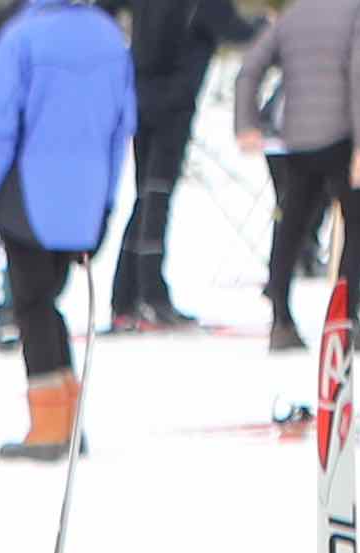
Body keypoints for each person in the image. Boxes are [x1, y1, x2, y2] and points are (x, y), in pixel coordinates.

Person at [0, 0, 133, 455]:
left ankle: (49, 427)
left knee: (31, 305)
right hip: (86, 195)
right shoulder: (109, 37)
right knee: (47, 302)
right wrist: (105, 204)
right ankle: (67, 421)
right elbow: (121, 128)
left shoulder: (22, 37)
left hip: (27, 192)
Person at [250, 0, 360, 346]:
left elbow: (251, 66)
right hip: (343, 135)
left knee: (292, 223)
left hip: (298, 137)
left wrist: (246, 121)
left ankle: (280, 317)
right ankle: (345, 319)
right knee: (359, 222)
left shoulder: (297, 11)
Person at [106, 0, 251, 322]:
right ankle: (150, 296)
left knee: (146, 196)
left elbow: (105, 8)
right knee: (157, 196)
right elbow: (233, 28)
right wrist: (266, 26)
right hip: (174, 102)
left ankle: (126, 296)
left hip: (140, 96)